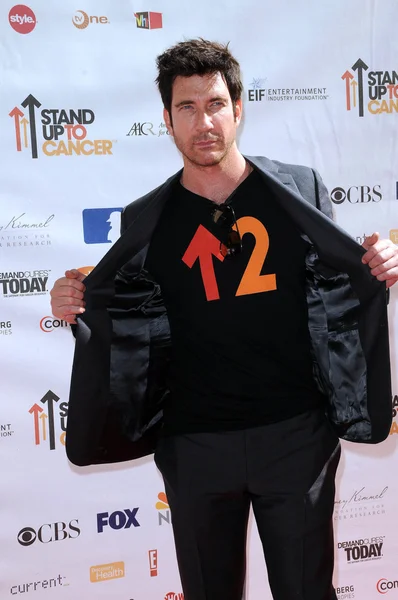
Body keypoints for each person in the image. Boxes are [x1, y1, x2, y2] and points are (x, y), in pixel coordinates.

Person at [50, 39, 398, 600]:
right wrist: (72, 301)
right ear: (167, 120)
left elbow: (341, 279)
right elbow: (119, 309)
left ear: (238, 108)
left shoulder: (298, 190)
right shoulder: (147, 218)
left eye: (214, 103)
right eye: (186, 108)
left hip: (294, 439)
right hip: (194, 447)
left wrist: (380, 263)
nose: (203, 121)